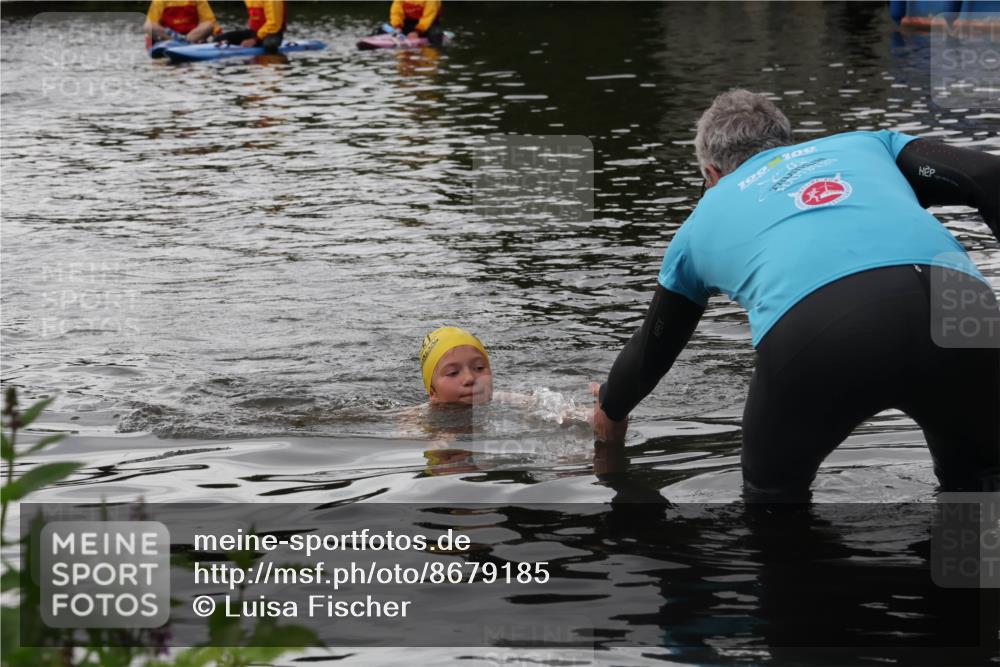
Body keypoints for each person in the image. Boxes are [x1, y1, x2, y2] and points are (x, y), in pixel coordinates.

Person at [592, 89, 1000, 497]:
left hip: (823, 331)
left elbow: (653, 347)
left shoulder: (700, 223)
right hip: (962, 307)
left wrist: (610, 409)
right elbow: (986, 176)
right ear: (788, 141)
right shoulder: (868, 145)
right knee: (979, 497)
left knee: (774, 509)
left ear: (711, 174)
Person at [212, 0, 286, 53]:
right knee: (219, 39)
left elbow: (274, 24)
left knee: (269, 45)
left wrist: (254, 39)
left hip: (272, 34)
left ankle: (273, 61)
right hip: (254, 33)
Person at [144, 0, 218, 46]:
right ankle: (179, 42)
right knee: (148, 26)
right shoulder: (159, 1)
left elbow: (210, 20)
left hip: (192, 36)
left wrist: (220, 38)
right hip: (168, 37)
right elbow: (152, 24)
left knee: (209, 25)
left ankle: (183, 42)